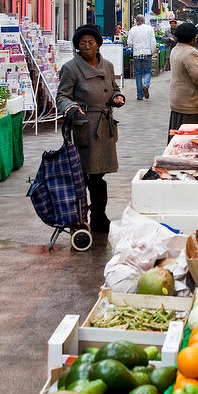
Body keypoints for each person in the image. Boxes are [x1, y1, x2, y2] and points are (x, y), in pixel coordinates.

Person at [56, 24, 125, 238]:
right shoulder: (71, 68)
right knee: (83, 175)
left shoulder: (108, 66)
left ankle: (98, 216)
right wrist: (69, 107)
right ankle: (80, 217)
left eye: (91, 42)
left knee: (98, 175)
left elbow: (114, 88)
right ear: (77, 45)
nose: (87, 46)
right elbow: (62, 96)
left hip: (104, 127)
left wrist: (116, 98)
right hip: (84, 126)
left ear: (98, 44)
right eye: (82, 42)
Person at [126, 13, 157, 100]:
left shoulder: (132, 29)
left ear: (136, 21)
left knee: (138, 74)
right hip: (147, 54)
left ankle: (140, 95)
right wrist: (152, 51)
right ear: (143, 20)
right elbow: (153, 43)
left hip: (136, 55)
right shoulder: (149, 29)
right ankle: (146, 85)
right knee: (148, 72)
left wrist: (135, 44)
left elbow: (129, 43)